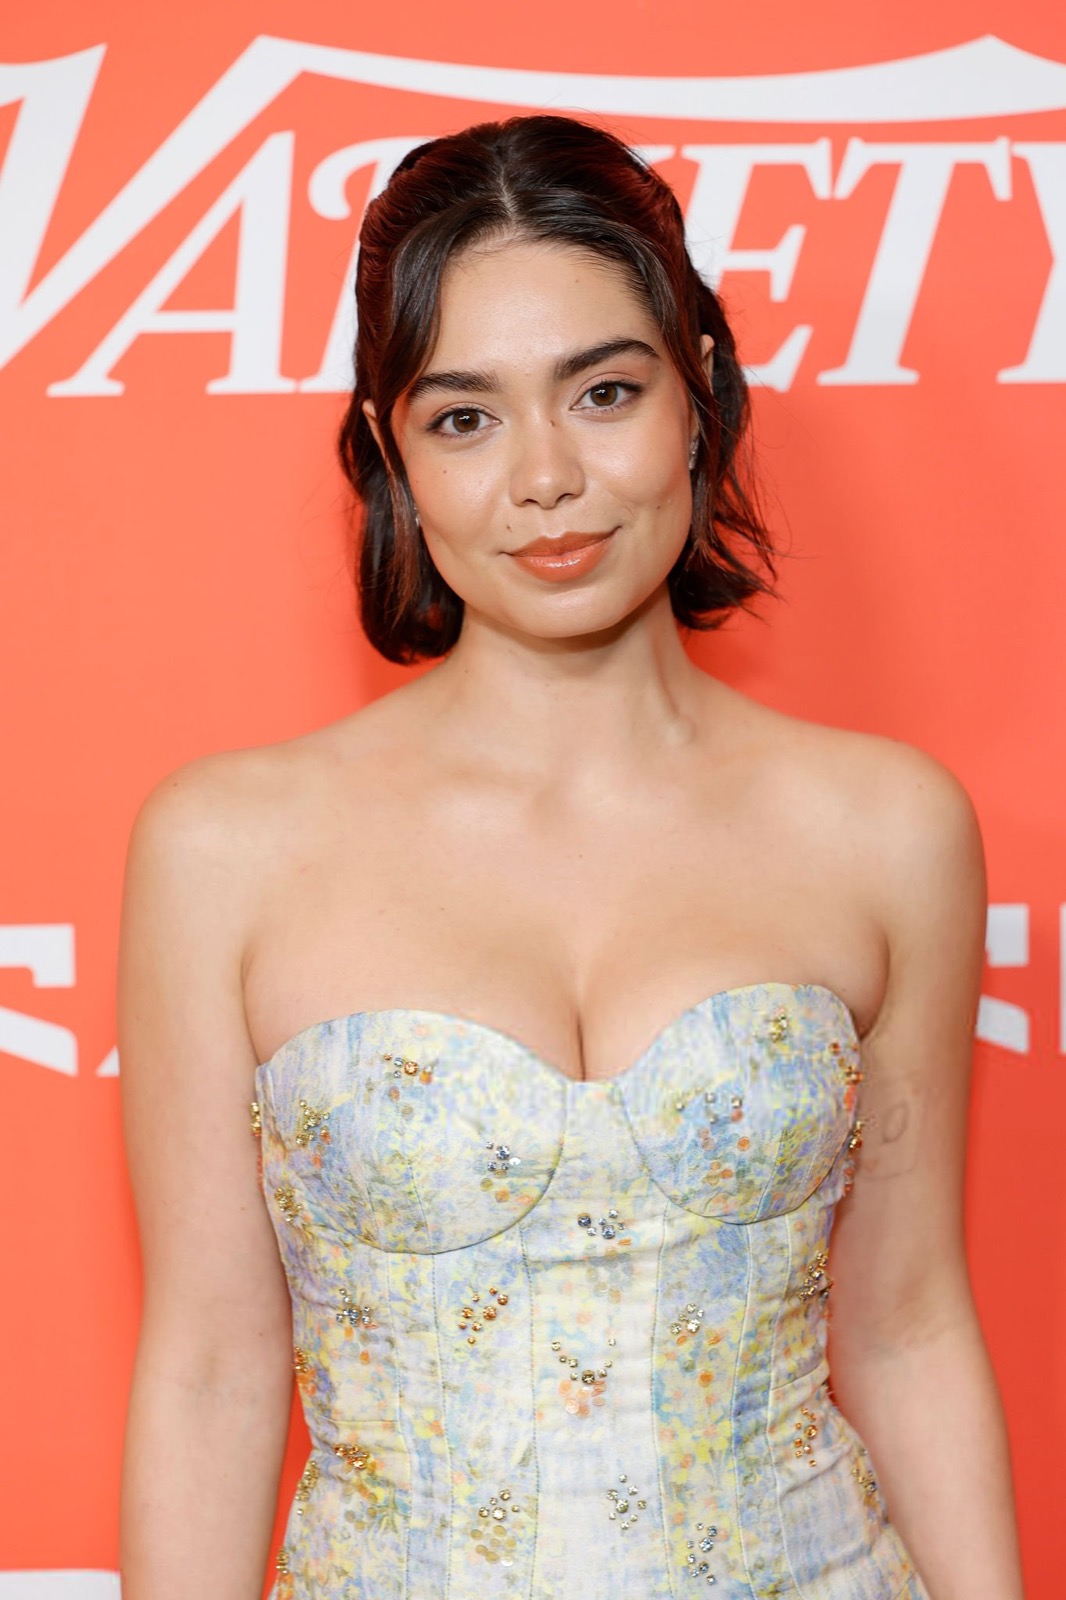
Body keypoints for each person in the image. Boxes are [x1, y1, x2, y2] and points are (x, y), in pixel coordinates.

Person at [116, 115, 1023, 1599]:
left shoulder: (885, 827)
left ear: (698, 397)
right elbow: (212, 1370)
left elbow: (908, 1326)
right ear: (389, 454)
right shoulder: (225, 848)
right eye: (463, 418)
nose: (545, 477)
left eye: (603, 392)